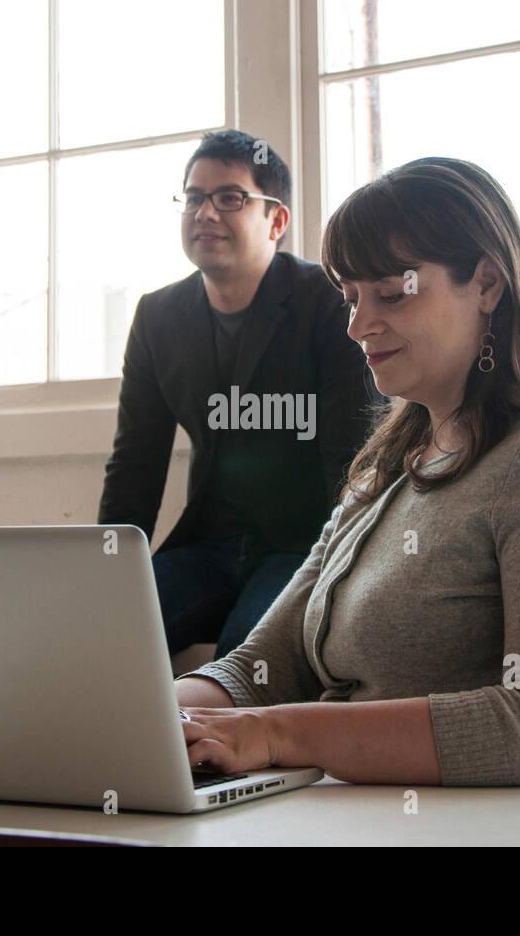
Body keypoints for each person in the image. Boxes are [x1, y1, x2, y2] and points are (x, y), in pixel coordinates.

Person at [173, 156, 520, 786]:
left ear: (486, 283)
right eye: (350, 297)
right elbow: (268, 664)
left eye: (392, 291)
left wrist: (275, 734)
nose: (357, 325)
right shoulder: (387, 472)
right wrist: (151, 715)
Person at [97, 130, 382, 661]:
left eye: (230, 198)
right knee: (103, 637)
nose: (205, 213)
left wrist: (349, 573)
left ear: (277, 221)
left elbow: (354, 454)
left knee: (244, 664)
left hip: (303, 543)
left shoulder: (329, 302)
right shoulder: (157, 316)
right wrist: (104, 571)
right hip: (208, 542)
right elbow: (136, 459)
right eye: (194, 197)